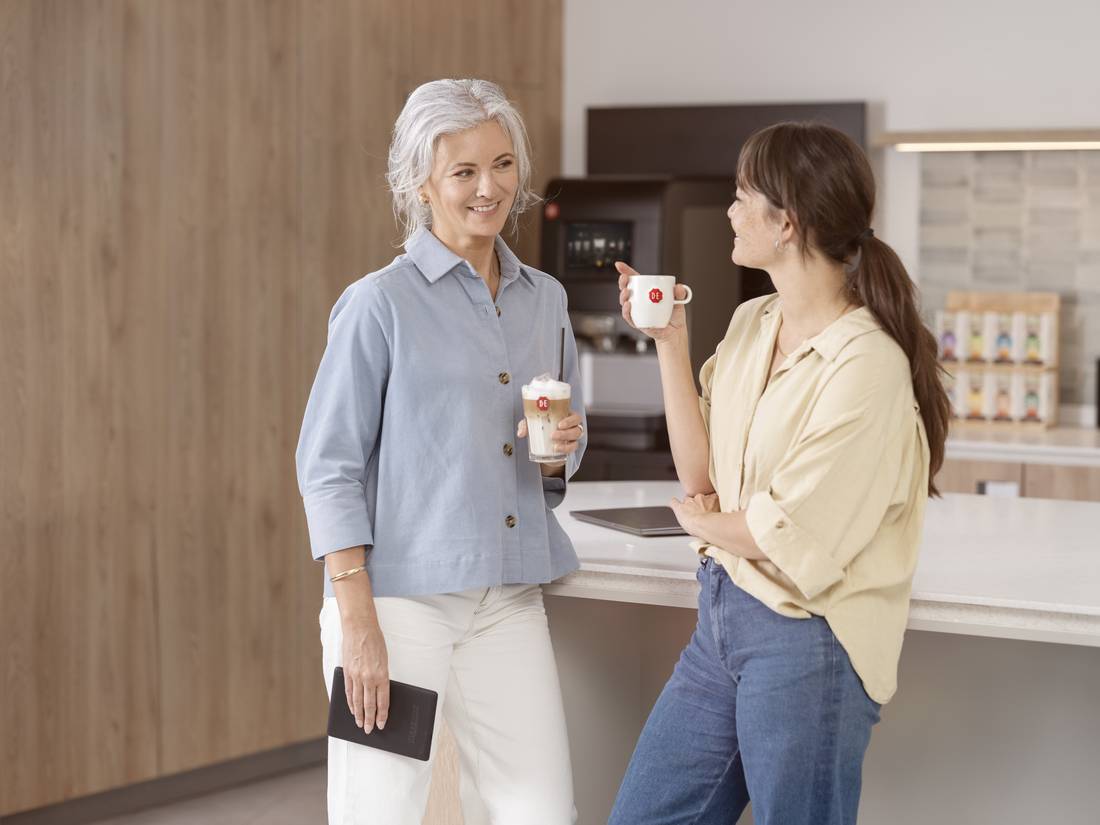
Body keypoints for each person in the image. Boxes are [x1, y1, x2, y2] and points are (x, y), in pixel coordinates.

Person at [608, 122, 950, 824]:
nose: (731, 211)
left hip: (807, 637)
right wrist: (670, 341)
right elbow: (700, 470)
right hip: (722, 616)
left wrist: (706, 524)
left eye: (742, 197)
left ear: (786, 223)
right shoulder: (752, 322)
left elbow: (787, 530)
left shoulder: (866, 363)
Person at [296, 78, 585, 825]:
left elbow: (552, 461)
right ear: (421, 184)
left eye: (502, 164)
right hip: (397, 605)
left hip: (507, 598)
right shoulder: (378, 304)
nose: (489, 188)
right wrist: (357, 621)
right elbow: (328, 467)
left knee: (541, 812)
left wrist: (559, 451)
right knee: (380, 811)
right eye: (464, 171)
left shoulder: (545, 299)